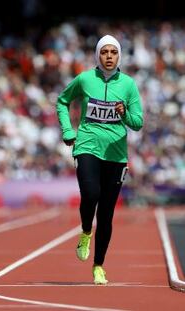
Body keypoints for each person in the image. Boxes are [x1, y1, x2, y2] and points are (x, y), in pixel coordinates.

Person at [56, 35, 143, 285]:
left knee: (106, 214)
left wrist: (125, 113)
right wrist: (67, 130)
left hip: (116, 154)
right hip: (87, 146)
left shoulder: (128, 85)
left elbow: (138, 123)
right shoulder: (84, 79)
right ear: (97, 55)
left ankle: (99, 265)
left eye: (113, 52)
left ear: (119, 56)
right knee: (90, 194)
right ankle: (85, 231)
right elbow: (62, 101)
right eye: (104, 52)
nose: (108, 56)